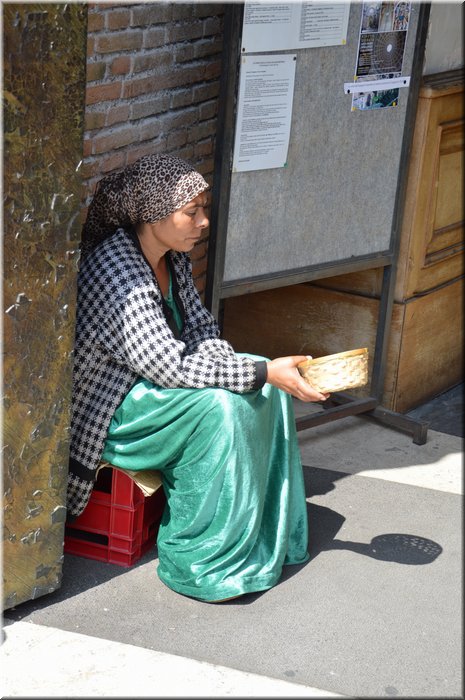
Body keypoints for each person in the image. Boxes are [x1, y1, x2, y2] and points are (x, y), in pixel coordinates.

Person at [67, 153, 329, 603]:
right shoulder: (116, 270)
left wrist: (258, 372)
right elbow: (168, 365)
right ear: (153, 215)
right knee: (222, 405)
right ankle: (205, 562)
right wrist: (258, 372)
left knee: (267, 387)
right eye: (192, 211)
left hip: (153, 387)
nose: (203, 222)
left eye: (203, 209)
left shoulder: (172, 258)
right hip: (112, 408)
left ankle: (266, 534)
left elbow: (202, 331)